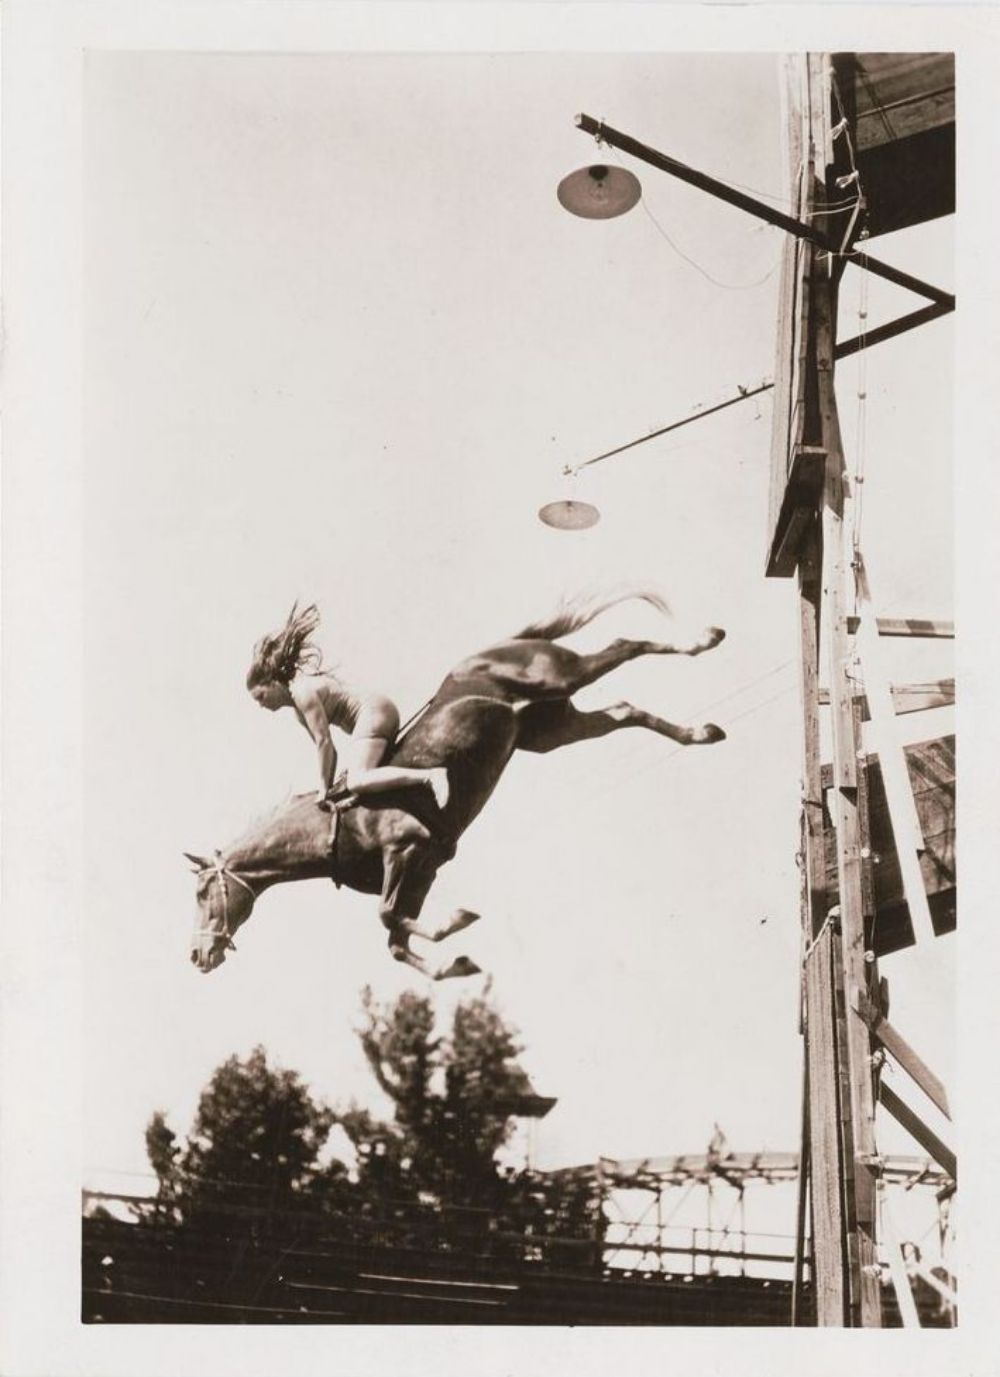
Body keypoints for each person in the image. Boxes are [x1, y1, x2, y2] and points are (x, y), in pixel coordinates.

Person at [246, 603, 449, 811]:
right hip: (376, 716)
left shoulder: (302, 693)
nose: (261, 704)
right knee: (360, 785)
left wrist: (323, 790)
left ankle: (430, 776)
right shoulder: (298, 712)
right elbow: (330, 753)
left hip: (374, 714)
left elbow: (324, 743)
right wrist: (327, 789)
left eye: (261, 696)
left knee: (357, 781)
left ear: (274, 683)